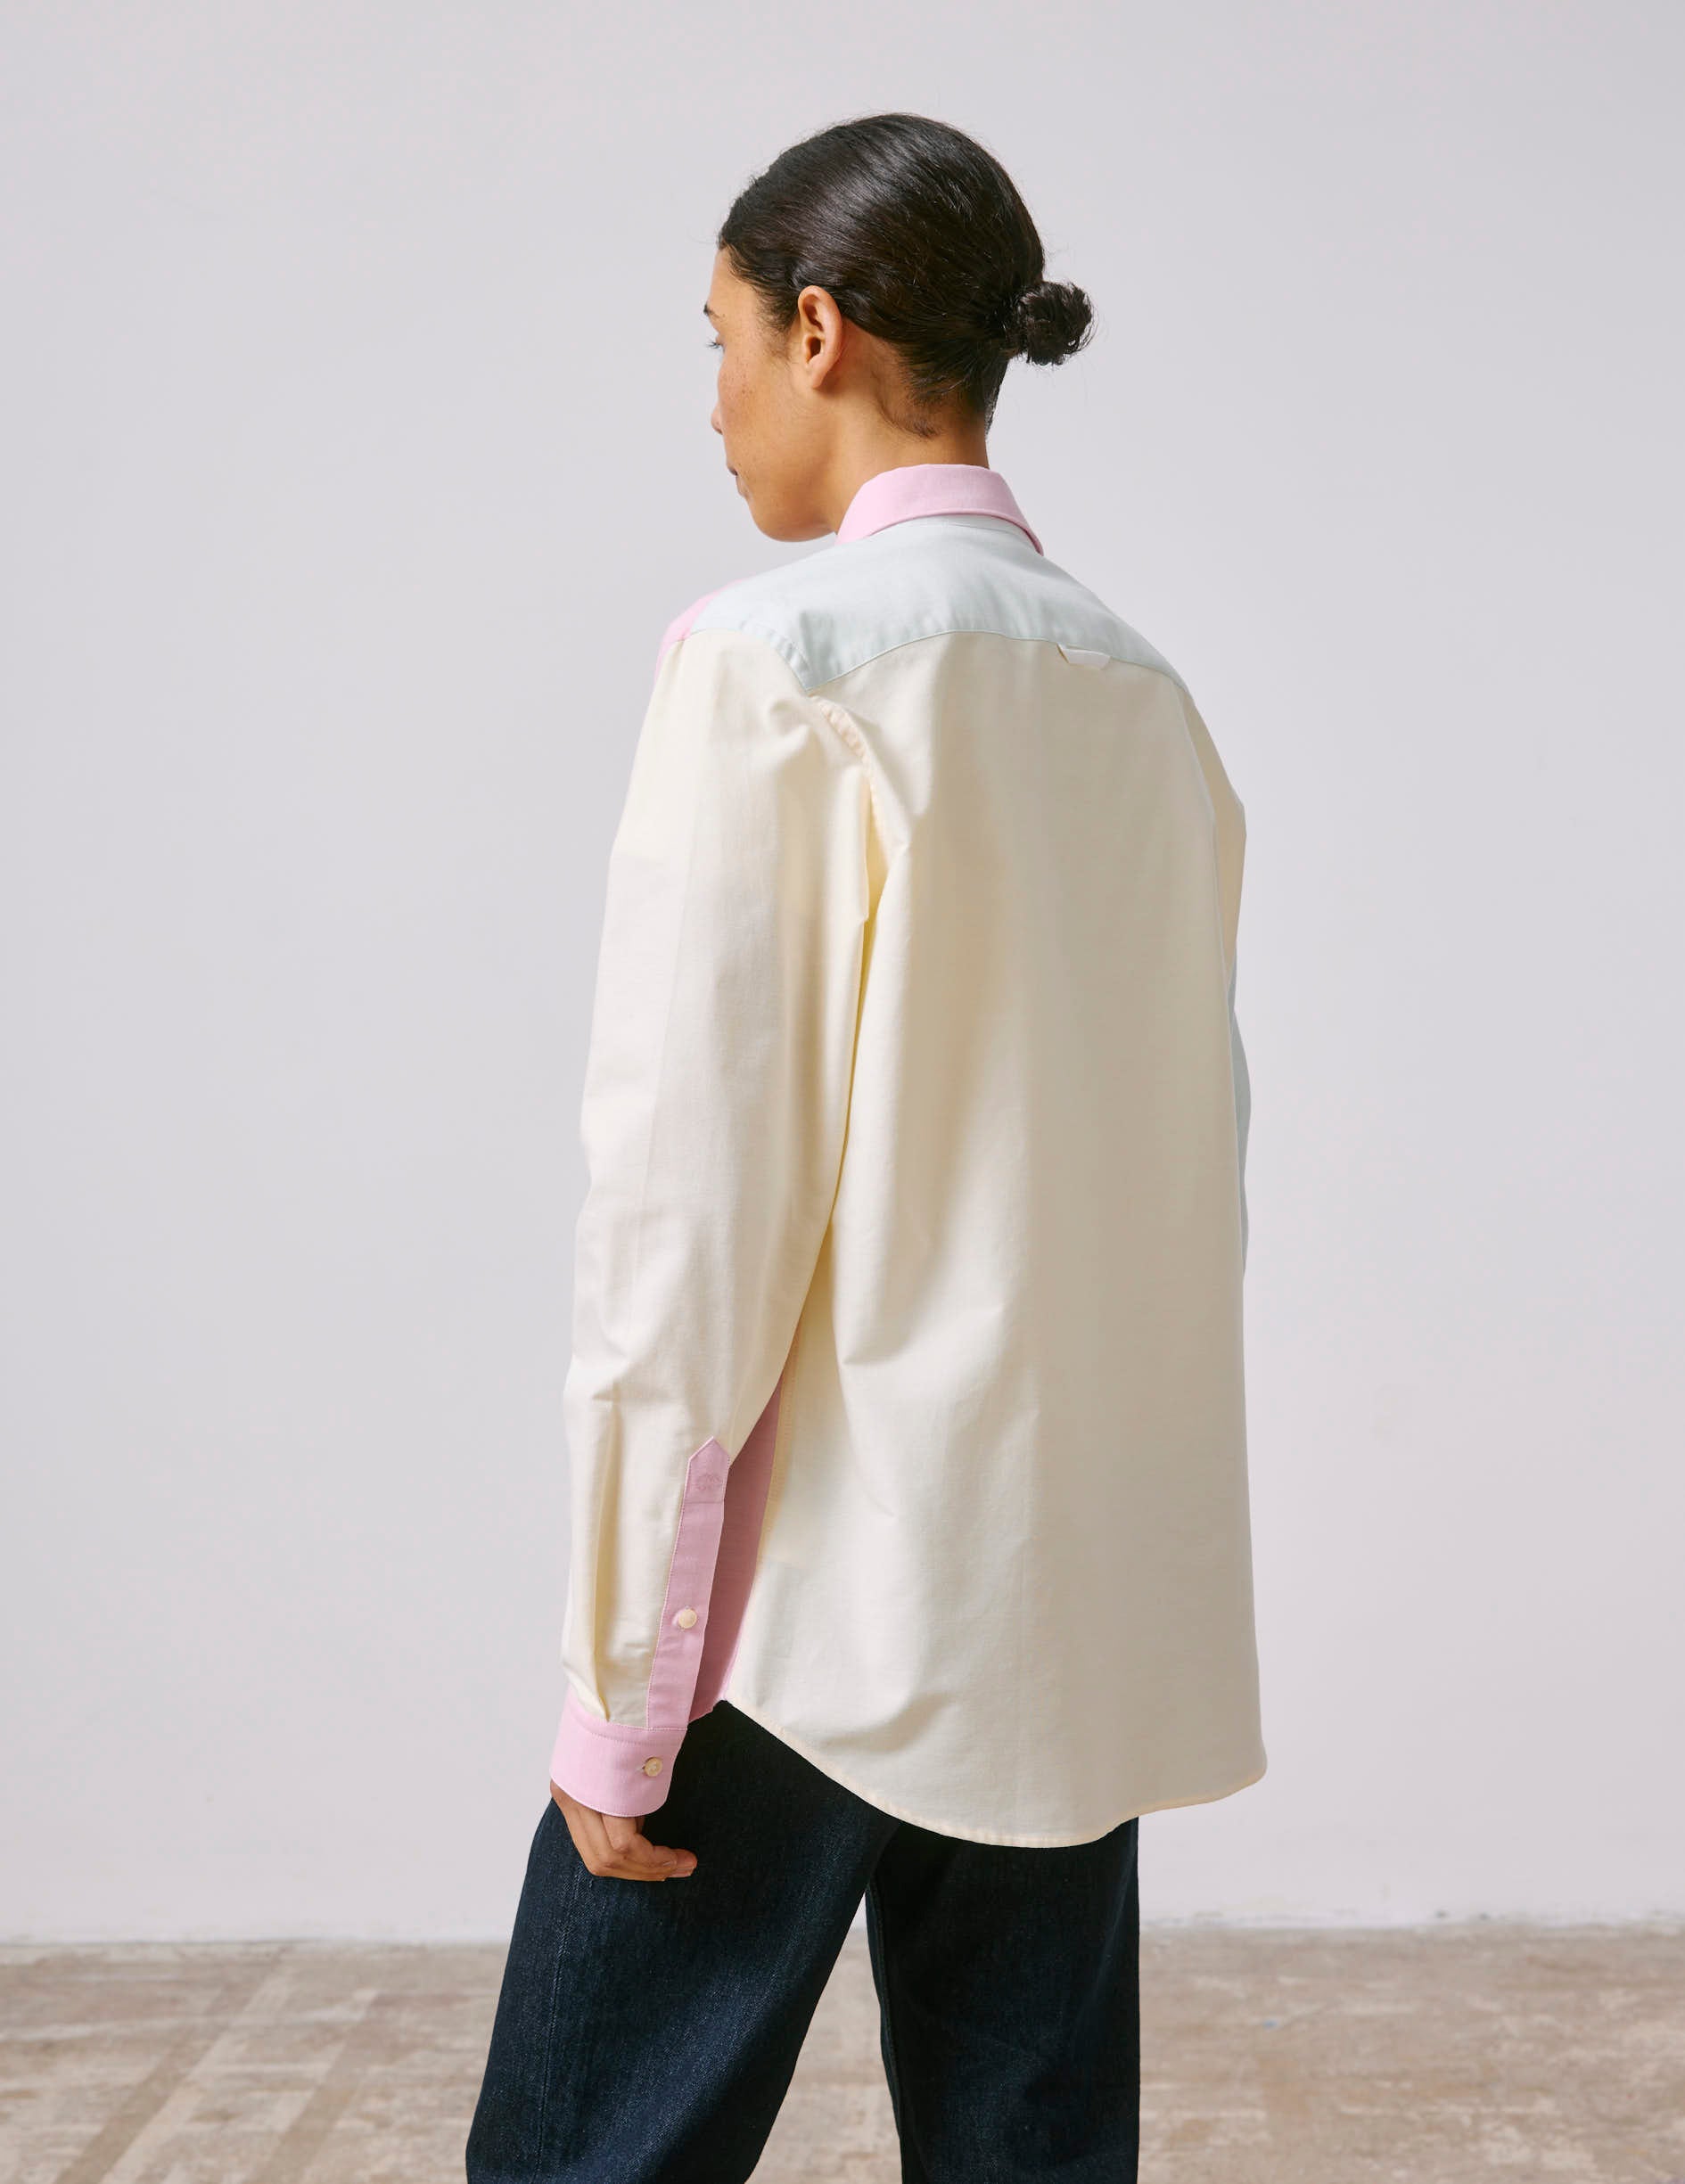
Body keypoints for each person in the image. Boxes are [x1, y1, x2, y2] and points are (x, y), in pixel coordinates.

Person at [465, 111, 1262, 2183]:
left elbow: (686, 1213)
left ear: (815, 331)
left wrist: (623, 1686)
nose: (714, 397)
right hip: (1066, 1607)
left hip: (806, 1611)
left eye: (720, 339)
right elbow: (1196, 1172)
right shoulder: (1143, 693)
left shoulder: (776, 664)